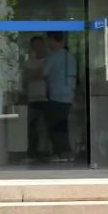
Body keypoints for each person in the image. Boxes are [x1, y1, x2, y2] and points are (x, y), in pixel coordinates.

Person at [43, 31, 77, 160]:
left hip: (56, 95)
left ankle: (59, 152)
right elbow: (73, 77)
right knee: (62, 125)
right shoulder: (70, 57)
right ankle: (66, 152)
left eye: (48, 40)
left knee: (54, 125)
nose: (48, 43)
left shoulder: (52, 57)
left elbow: (44, 73)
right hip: (68, 96)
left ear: (52, 39)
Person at [22, 35, 48, 159]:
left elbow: (46, 75)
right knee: (33, 127)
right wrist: (39, 72)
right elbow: (26, 77)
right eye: (35, 45)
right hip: (33, 98)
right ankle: (33, 152)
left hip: (47, 98)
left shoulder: (49, 59)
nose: (37, 48)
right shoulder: (29, 61)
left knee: (47, 127)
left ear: (43, 45)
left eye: (39, 45)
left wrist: (35, 72)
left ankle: (46, 151)